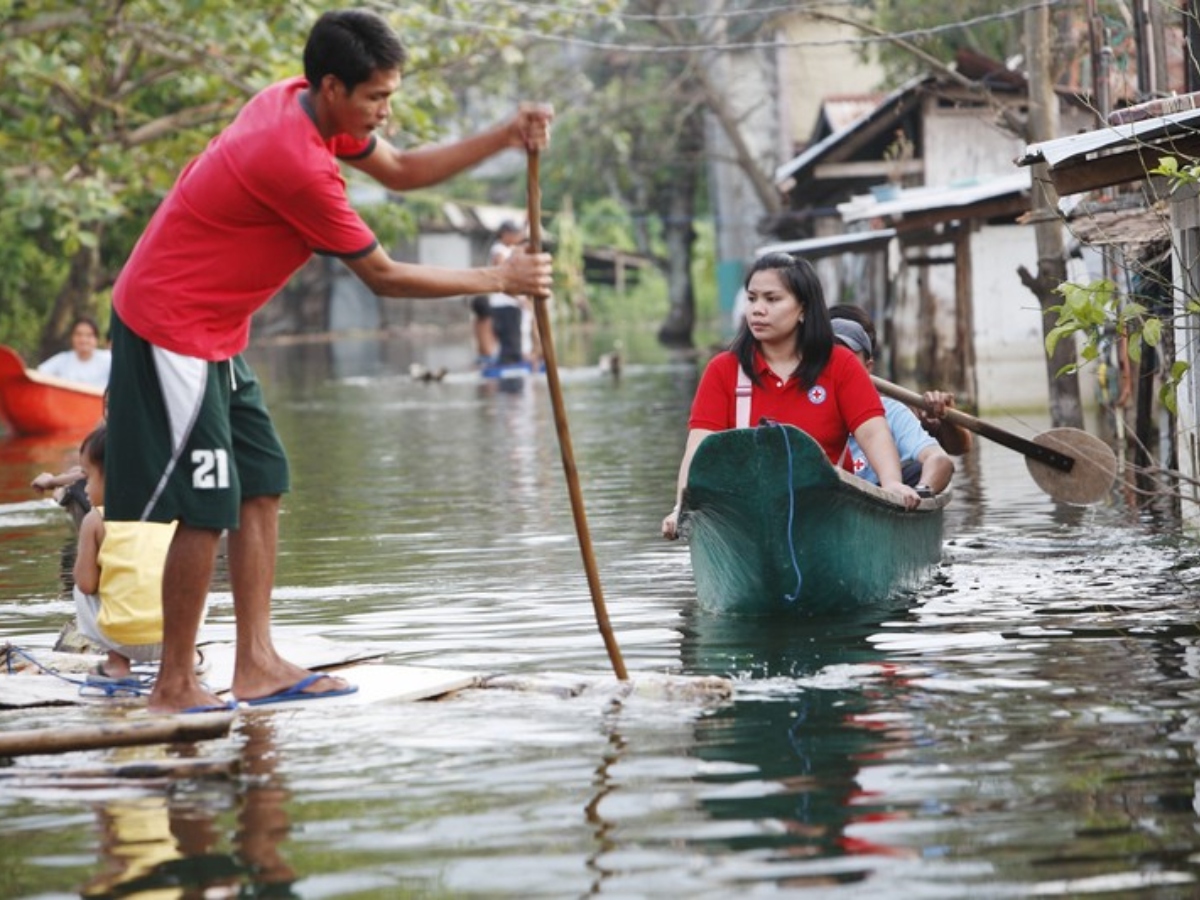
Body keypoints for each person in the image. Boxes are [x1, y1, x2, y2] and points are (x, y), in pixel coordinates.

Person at [105, 8, 554, 713]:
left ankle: (255, 663)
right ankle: (173, 684)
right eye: (376, 98)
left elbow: (403, 172)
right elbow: (384, 276)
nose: (385, 112)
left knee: (261, 481)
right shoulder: (293, 161)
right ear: (335, 87)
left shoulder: (304, 101)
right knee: (206, 504)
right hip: (171, 324)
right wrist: (500, 280)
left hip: (218, 329)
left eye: (391, 96)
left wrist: (504, 134)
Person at [662, 253, 919, 540]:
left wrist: (892, 484)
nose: (757, 310)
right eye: (752, 298)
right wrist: (681, 507)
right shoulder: (723, 370)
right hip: (745, 517)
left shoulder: (840, 364)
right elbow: (699, 449)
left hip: (830, 512)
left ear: (803, 309)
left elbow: (872, 433)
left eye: (772, 299)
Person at [71, 424, 186, 684]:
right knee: (192, 570)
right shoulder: (173, 510)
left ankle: (117, 665)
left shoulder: (96, 519)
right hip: (176, 638)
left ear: (112, 476)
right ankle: (188, 659)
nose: (85, 489)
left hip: (122, 640)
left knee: (81, 585)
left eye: (88, 478)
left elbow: (86, 584)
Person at [827, 304, 972, 459]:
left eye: (847, 353)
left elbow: (960, 447)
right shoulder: (806, 400)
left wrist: (945, 416)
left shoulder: (896, 410)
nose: (839, 362)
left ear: (867, 363)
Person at [830, 317, 954, 496]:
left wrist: (918, 494)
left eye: (847, 358)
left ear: (868, 367)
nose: (838, 366)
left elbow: (939, 460)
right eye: (829, 358)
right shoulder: (806, 407)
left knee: (916, 471)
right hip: (826, 495)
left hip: (882, 495)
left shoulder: (892, 412)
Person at [486, 220, 528, 364]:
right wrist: (518, 297)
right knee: (509, 340)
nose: (516, 237)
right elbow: (504, 275)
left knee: (514, 338)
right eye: (513, 234)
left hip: (511, 302)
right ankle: (510, 367)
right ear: (505, 234)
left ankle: (513, 362)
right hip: (504, 302)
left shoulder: (510, 249)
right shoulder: (499, 249)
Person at [37, 316, 111, 387]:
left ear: (96, 339)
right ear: (72, 337)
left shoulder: (109, 360)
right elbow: (38, 375)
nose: (83, 340)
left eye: (89, 335)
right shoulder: (62, 360)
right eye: (79, 334)